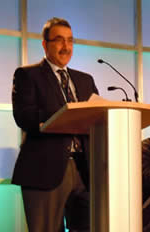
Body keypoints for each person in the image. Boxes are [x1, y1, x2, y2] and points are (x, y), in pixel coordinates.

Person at [11, 17, 98, 232]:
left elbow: (96, 117)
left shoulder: (85, 80)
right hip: (44, 168)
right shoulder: (27, 75)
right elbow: (24, 117)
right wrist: (67, 113)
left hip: (86, 169)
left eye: (70, 41)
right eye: (59, 40)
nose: (66, 46)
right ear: (44, 44)